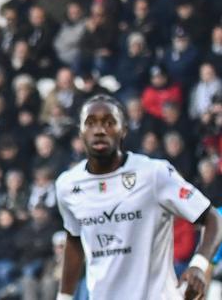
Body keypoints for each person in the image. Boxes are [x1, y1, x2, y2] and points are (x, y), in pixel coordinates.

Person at [55, 95, 222, 300]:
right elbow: (74, 239)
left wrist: (199, 265)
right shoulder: (67, 185)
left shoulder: (153, 173)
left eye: (109, 122)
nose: (99, 130)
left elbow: (213, 217)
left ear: (123, 130)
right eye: (90, 123)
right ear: (80, 131)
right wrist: (64, 297)